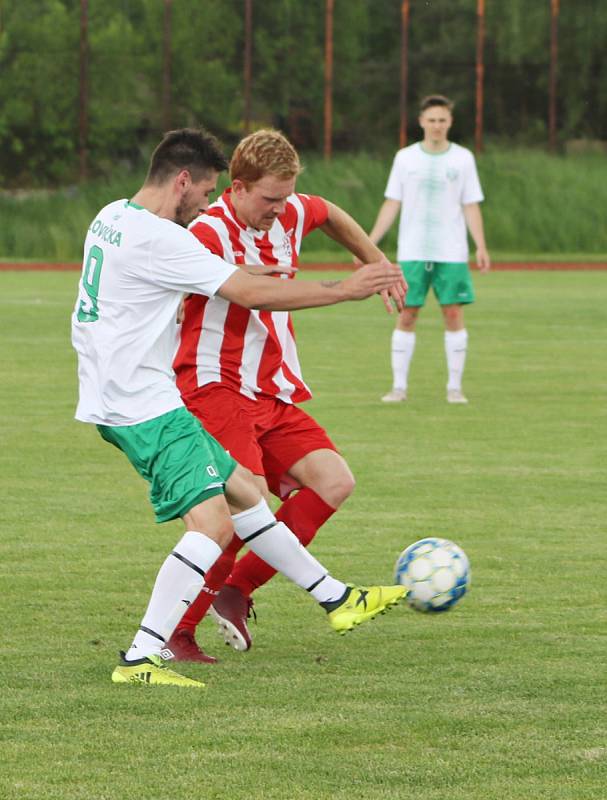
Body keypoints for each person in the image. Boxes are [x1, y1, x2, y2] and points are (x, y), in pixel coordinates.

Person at [71, 127, 408, 688]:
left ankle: (338, 598)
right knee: (212, 525)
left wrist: (244, 274)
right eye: (204, 191)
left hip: (120, 392)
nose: (207, 202)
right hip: (142, 404)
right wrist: (345, 289)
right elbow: (247, 295)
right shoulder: (166, 238)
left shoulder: (113, 216)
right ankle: (141, 657)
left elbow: (193, 279)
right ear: (182, 180)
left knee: (246, 495)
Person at [167, 129, 397, 663]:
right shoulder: (206, 232)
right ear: (239, 187)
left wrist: (376, 262)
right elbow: (251, 291)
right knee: (236, 509)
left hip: (267, 390)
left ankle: (237, 589)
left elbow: (328, 212)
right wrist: (343, 290)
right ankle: (177, 633)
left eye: (286, 197)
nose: (279, 209)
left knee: (333, 480)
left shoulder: (290, 210)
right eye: (269, 199)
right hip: (213, 385)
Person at [367, 94, 490, 405]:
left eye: (442, 120)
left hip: (451, 251)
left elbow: (470, 205)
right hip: (413, 251)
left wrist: (481, 246)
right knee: (407, 314)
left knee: (453, 313)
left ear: (450, 123)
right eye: (431, 120)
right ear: (421, 122)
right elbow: (392, 202)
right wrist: (369, 242)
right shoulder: (405, 158)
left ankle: (454, 387)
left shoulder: (462, 158)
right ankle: (398, 387)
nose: (437, 126)